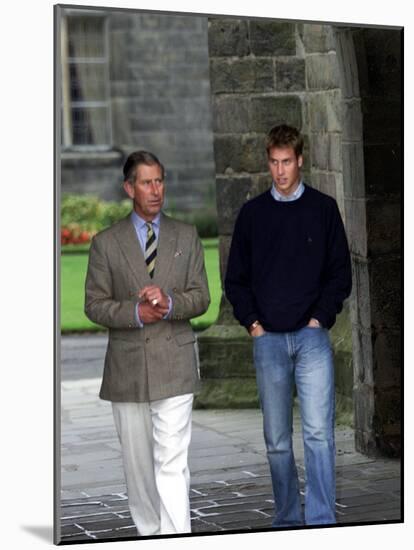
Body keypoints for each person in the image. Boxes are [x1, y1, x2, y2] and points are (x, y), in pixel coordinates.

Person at [225, 124, 352, 527]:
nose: (280, 171)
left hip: (311, 338)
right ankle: (286, 519)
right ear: (269, 162)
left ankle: (320, 520)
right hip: (268, 341)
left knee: (318, 435)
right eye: (274, 163)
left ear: (300, 160)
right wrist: (254, 327)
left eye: (287, 162)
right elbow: (236, 281)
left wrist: (319, 320)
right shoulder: (252, 215)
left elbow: (340, 275)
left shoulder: (323, 209)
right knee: (278, 442)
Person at [85, 150, 210, 536]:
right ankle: (149, 535)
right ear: (129, 188)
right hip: (127, 371)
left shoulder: (186, 236)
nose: (156, 190)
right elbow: (94, 304)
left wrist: (170, 303)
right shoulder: (106, 243)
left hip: (175, 364)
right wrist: (136, 312)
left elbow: (202, 297)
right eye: (146, 182)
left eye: (159, 181)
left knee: (172, 462)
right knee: (139, 468)